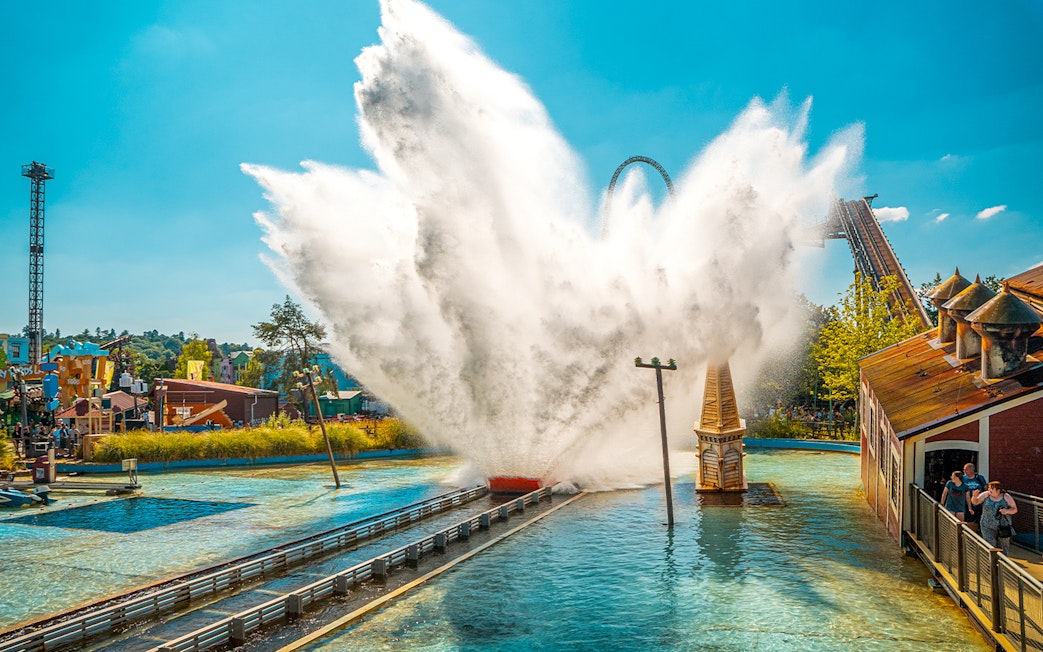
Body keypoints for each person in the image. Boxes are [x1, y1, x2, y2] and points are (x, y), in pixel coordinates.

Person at [972, 480, 1017, 555]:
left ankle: (1003, 560)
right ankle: (992, 561)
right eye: (989, 488)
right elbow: (975, 502)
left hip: (1003, 526)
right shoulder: (986, 495)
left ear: (998, 490)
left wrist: (1006, 511)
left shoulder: (1006, 497)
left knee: (1003, 546)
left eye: (992, 488)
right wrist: (974, 496)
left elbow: (1014, 509)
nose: (989, 490)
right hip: (987, 525)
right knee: (990, 545)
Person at [962, 463, 988, 528]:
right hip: (967, 503)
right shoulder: (962, 478)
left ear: (972, 470)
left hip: (979, 503)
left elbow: (985, 488)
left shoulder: (979, 478)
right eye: (964, 469)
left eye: (966, 469)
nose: (964, 471)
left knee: (979, 519)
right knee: (969, 520)